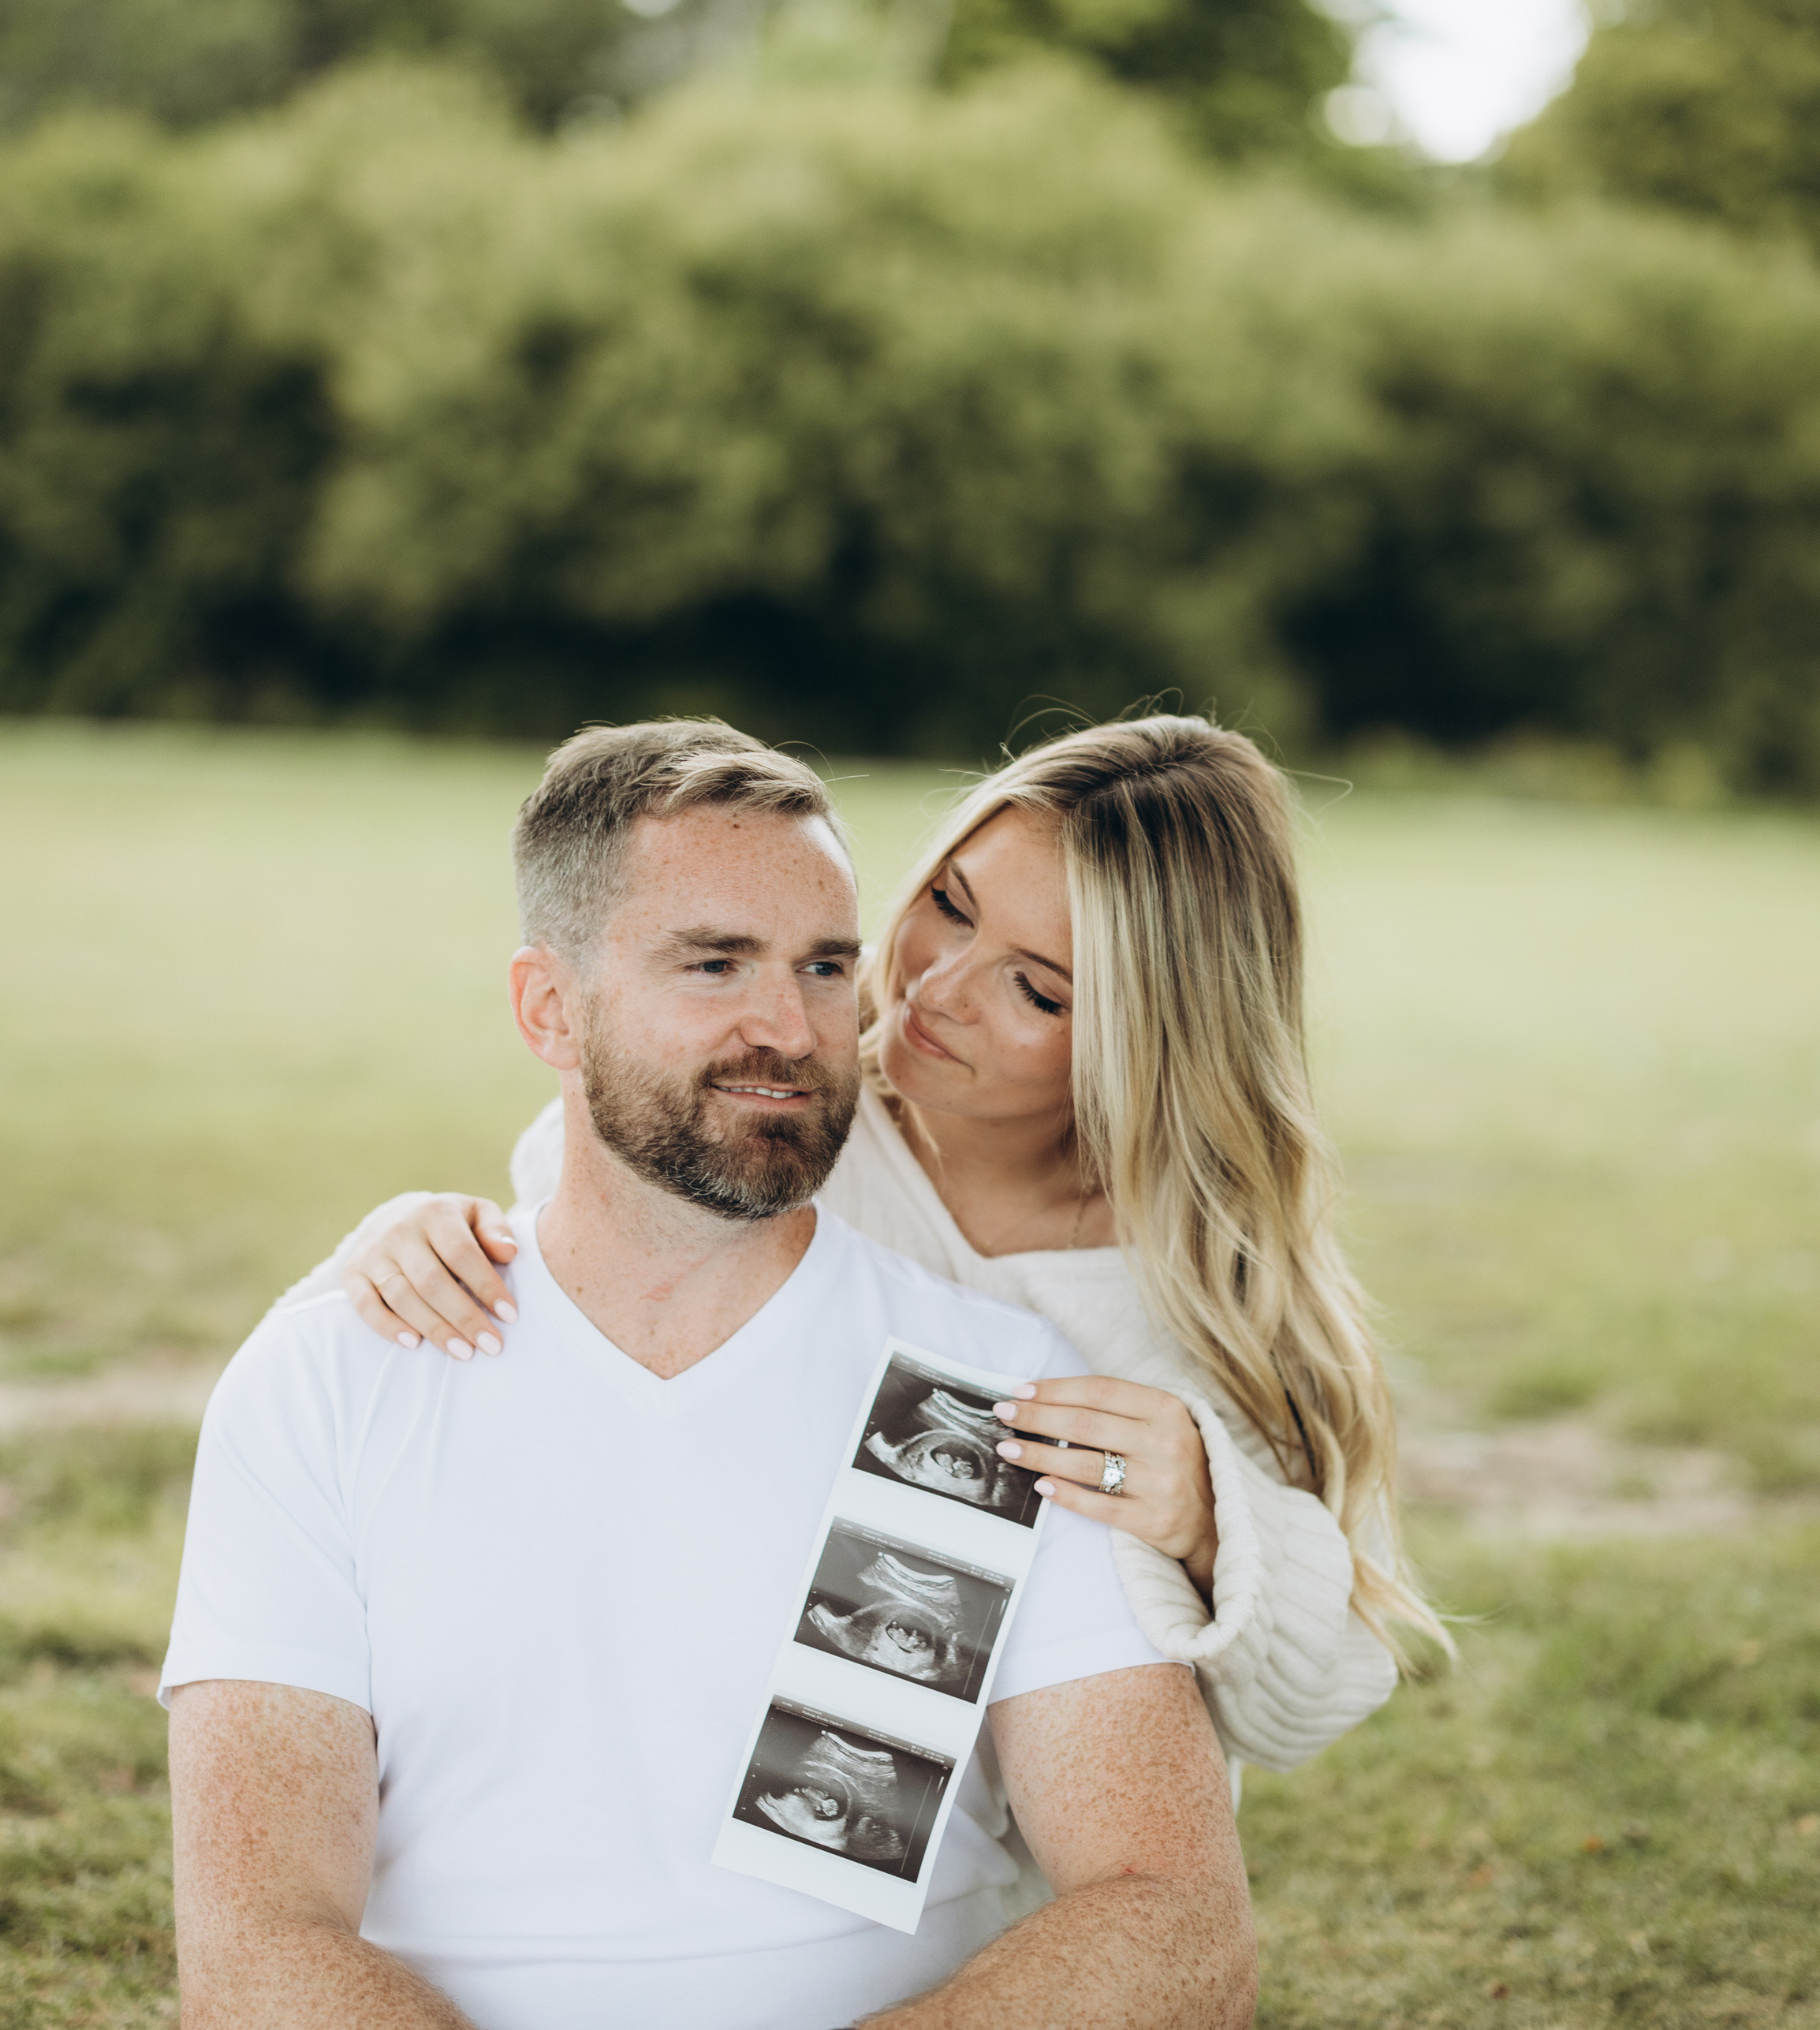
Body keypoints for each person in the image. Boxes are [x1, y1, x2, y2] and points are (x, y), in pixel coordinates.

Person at [0, 721, 1463, 2030]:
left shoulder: (1029, 1387)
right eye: (721, 965)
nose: (814, 1023)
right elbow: (256, 1960)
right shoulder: (350, 1359)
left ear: (1130, 1045)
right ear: (547, 1009)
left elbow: (1185, 1902)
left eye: (816, 965)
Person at [307, 715, 1450, 1823]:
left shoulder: (1203, 1290)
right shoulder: (781, 1125)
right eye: (950, 906)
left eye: (1036, 988)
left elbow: (1311, 1705)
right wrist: (411, 1239)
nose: (937, 986)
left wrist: (1211, 1522)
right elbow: (563, 1274)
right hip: (689, 1798)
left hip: (1016, 1877)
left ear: (1152, 1033)